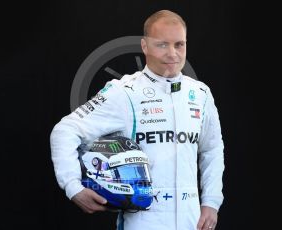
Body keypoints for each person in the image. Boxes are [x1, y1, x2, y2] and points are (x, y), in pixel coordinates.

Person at [50, 9, 225, 230]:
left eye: (179, 44)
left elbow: (212, 149)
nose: (172, 53)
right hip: (144, 220)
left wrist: (211, 202)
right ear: (144, 46)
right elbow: (65, 130)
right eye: (162, 44)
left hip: (192, 220)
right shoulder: (123, 92)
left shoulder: (200, 93)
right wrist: (72, 186)